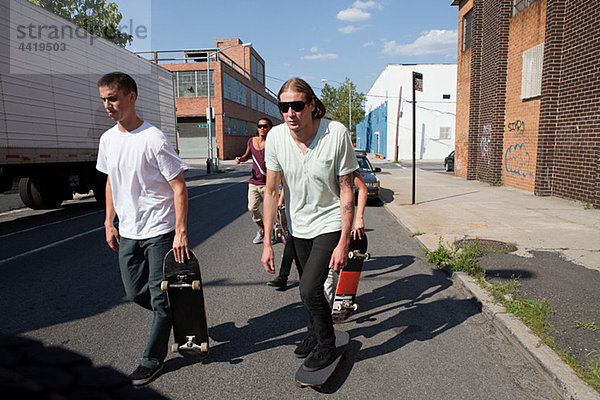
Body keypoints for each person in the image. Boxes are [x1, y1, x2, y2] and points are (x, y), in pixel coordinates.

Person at [96, 72, 189, 386]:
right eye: (104, 100)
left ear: (131, 97)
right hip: (129, 230)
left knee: (159, 298)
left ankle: (152, 360)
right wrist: (109, 222)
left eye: (113, 98)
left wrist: (180, 231)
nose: (108, 105)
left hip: (160, 229)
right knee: (135, 293)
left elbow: (178, 186)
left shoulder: (154, 138)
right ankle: (177, 315)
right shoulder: (108, 139)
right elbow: (110, 182)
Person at [261, 78, 358, 371]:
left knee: (308, 288)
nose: (290, 113)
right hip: (298, 225)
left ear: (312, 105)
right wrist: (267, 241)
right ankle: (312, 334)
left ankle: (327, 344)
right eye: (284, 107)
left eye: (297, 106)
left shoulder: (335, 133)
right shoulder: (276, 138)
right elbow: (269, 190)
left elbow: (346, 188)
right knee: (308, 288)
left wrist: (344, 240)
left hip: (329, 221)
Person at [323, 171, 368, 305]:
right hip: (315, 225)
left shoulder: (343, 164)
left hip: (337, 224)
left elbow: (363, 188)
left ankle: (327, 308)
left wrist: (359, 218)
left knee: (330, 270)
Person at [235, 118, 272, 244]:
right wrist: (240, 158)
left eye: (265, 126)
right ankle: (262, 230)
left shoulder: (272, 142)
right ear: (257, 128)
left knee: (270, 212)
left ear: (269, 128)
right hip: (254, 182)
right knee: (252, 208)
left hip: (268, 183)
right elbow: (247, 156)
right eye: (260, 126)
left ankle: (270, 232)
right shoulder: (251, 141)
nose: (262, 128)